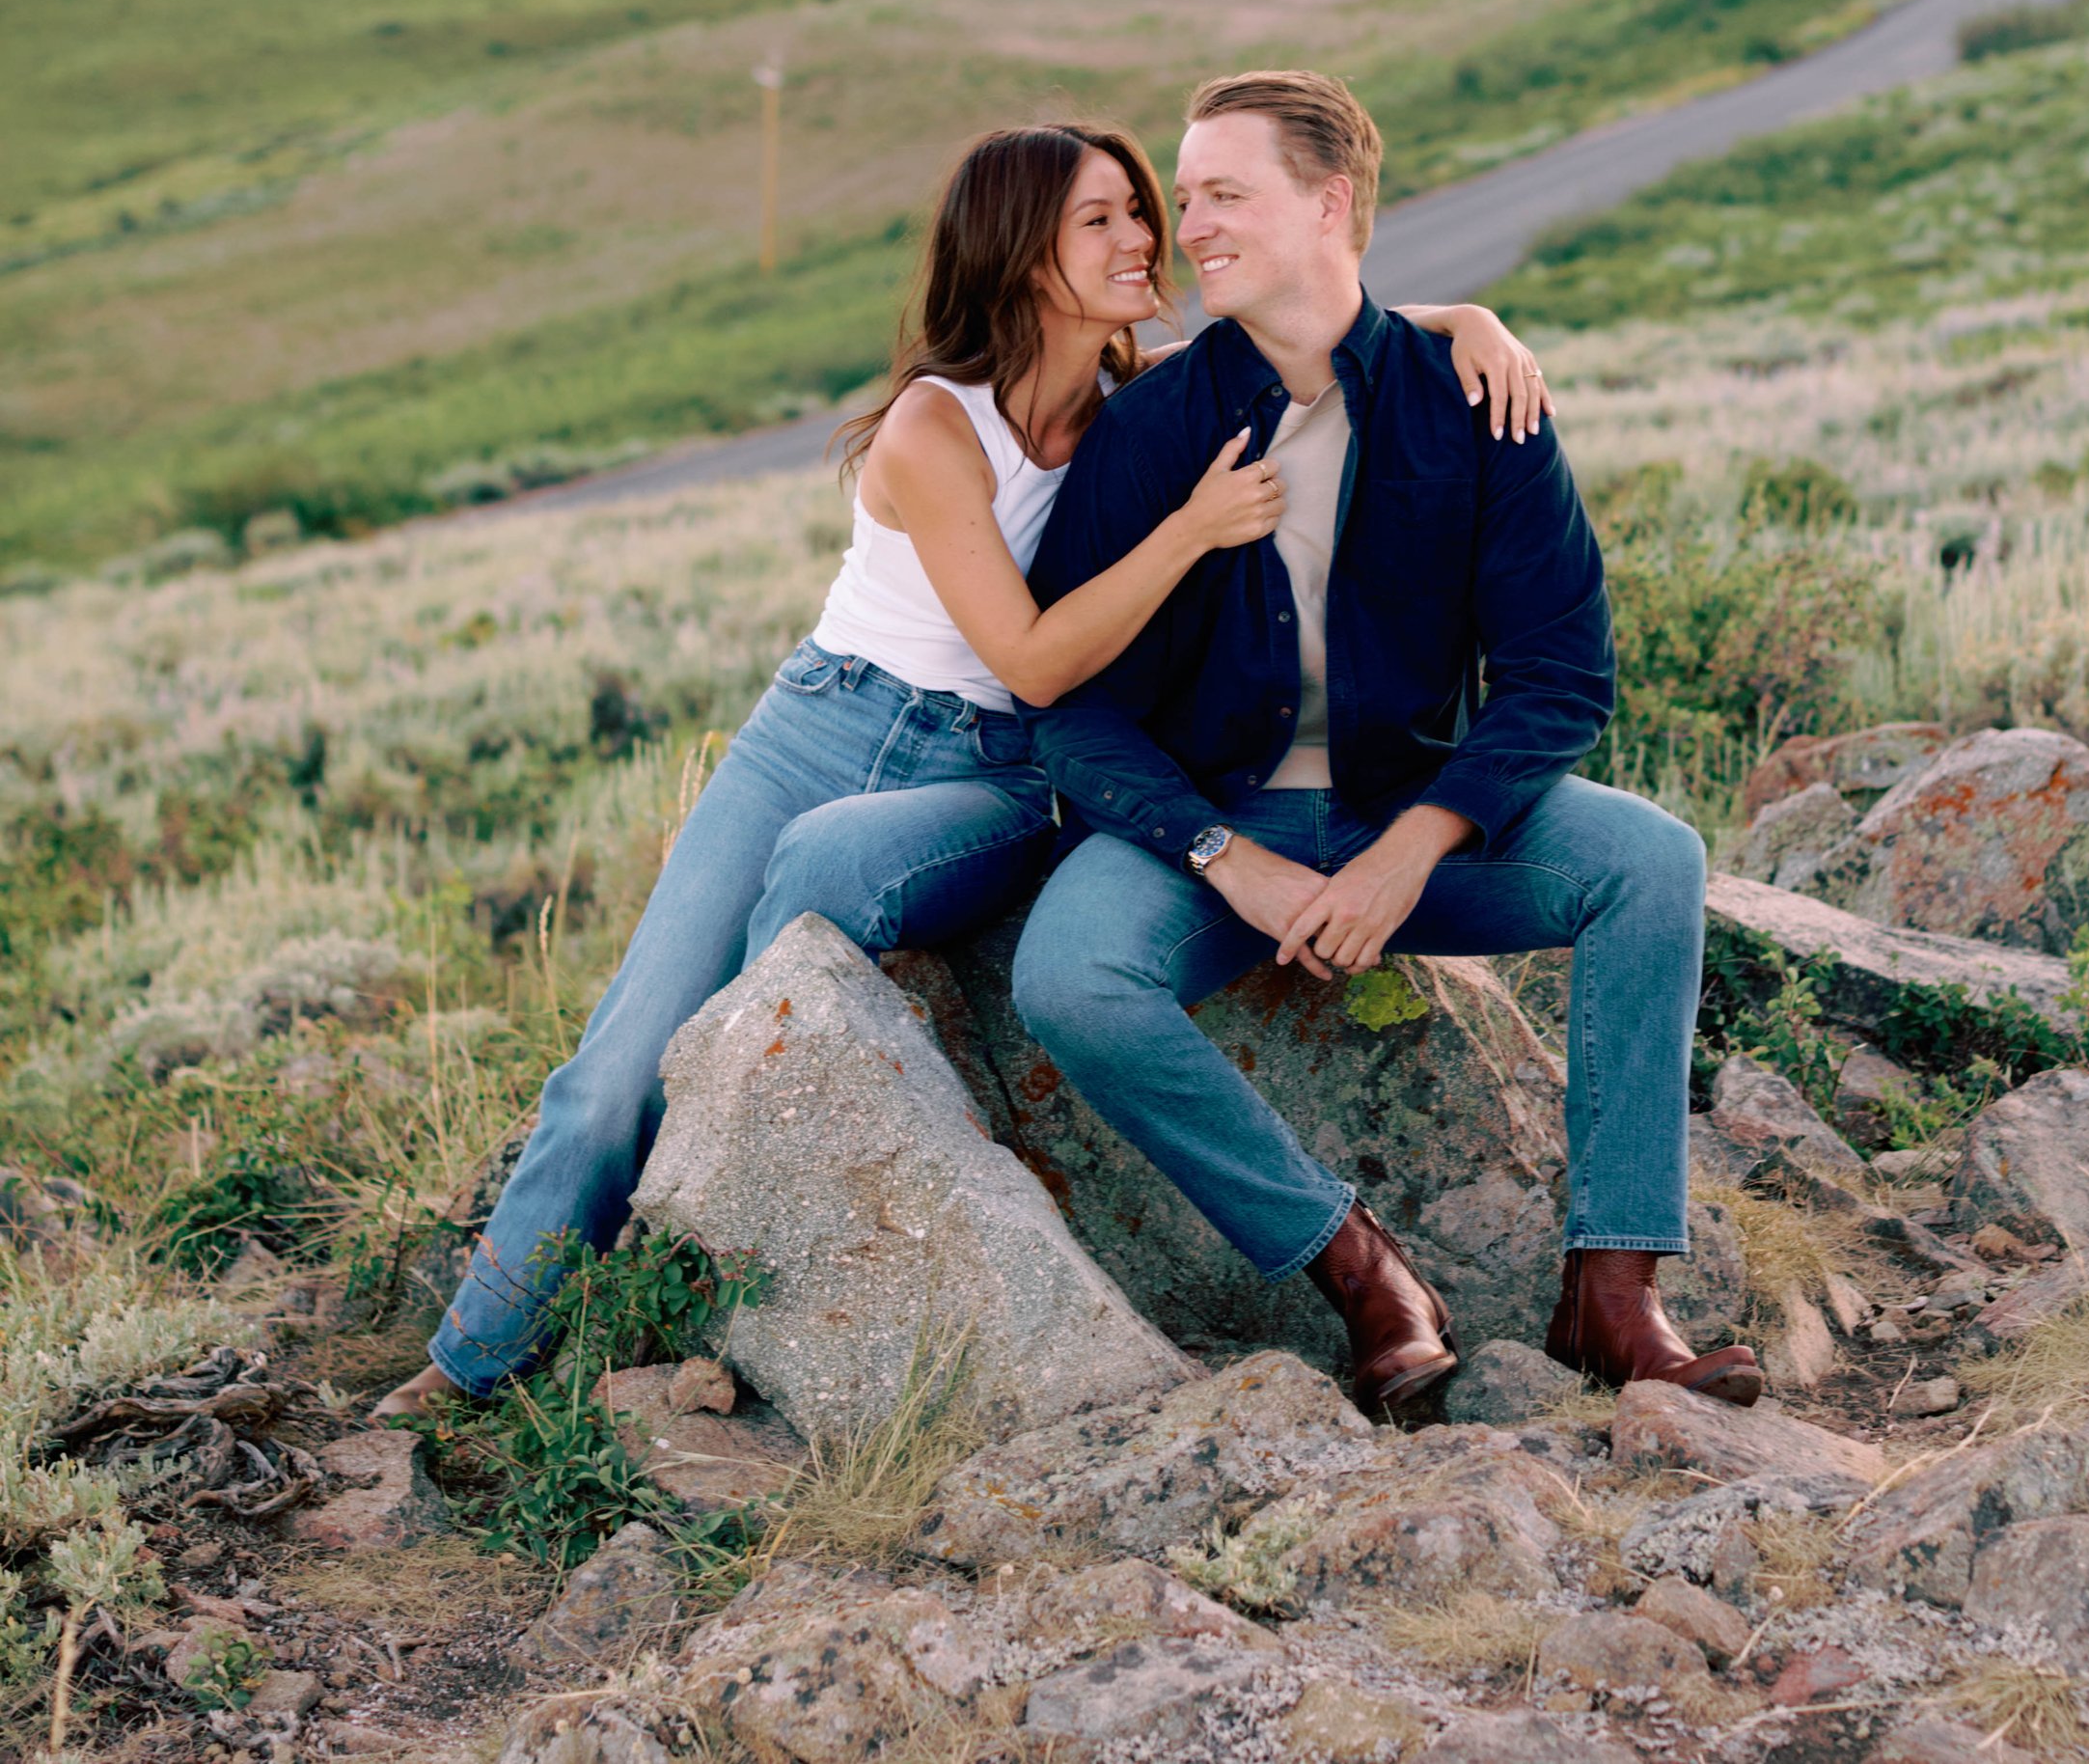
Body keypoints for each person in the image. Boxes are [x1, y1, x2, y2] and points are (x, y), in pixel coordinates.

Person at [377, 115, 1548, 1414]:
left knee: (807, 905)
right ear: (1020, 256)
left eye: (1138, 211)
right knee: (611, 1072)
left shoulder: (1131, 396)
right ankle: (471, 1360)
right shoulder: (933, 431)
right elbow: (1037, 652)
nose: (1143, 237)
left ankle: (707, 1254)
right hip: (815, 728)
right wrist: (1194, 529)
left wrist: (1467, 322)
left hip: (994, 770)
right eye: (1097, 219)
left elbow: (1316, 320)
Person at [1011, 69, 1761, 1419]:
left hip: (1407, 815)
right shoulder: (1153, 429)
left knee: (1650, 862)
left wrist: (1413, 853)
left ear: (1330, 202)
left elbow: (1558, 673)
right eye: (1185, 203)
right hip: (1208, 835)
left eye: (1223, 195)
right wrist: (1222, 855)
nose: (1192, 230)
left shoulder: (1473, 398)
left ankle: (1615, 1294)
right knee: (1070, 977)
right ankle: (1361, 1275)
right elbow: (1071, 704)